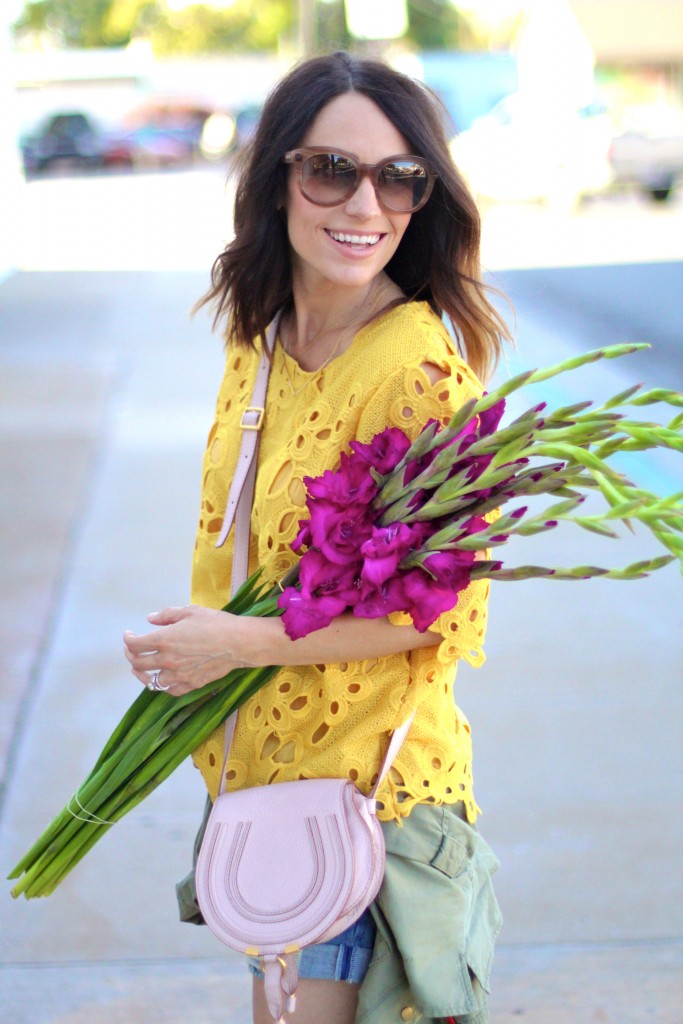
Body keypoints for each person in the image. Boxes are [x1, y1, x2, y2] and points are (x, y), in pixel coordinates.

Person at [123, 51, 510, 1024]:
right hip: (262, 779)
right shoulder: (260, 338)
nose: (364, 204)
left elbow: (437, 616)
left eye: (398, 177)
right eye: (330, 169)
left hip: (362, 799)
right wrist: (199, 640)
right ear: (278, 179)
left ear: (425, 196)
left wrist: (234, 643)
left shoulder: (419, 377)